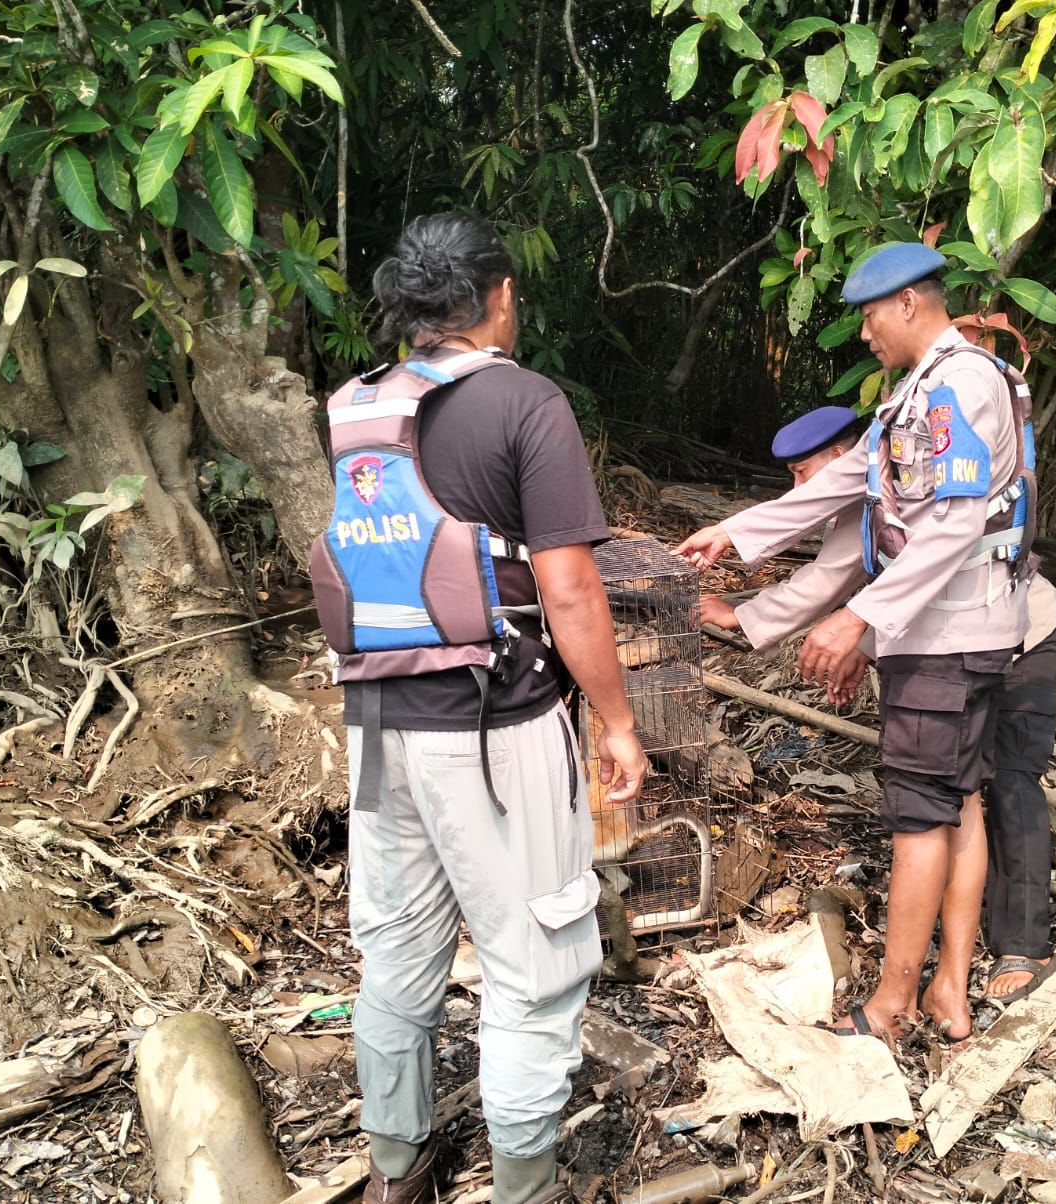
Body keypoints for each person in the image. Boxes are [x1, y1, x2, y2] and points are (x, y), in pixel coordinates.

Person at [341, 213, 648, 1204]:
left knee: (394, 949)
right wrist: (616, 721)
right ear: (498, 296)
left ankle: (401, 1166)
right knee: (533, 964)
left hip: (378, 726)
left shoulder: (352, 408)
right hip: (495, 725)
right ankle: (524, 1184)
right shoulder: (526, 402)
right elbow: (568, 593)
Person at [676, 243, 1031, 1042]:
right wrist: (732, 535)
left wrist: (861, 619)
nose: (865, 332)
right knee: (957, 805)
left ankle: (892, 1007)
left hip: (946, 638)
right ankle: (947, 989)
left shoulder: (959, 384)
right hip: (961, 634)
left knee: (916, 816)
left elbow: (950, 526)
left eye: (871, 314)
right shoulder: (919, 392)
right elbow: (850, 482)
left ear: (909, 302)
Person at [698, 405, 868, 650]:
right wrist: (723, 534)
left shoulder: (868, 503)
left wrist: (739, 616)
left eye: (802, 471)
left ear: (838, 456)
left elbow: (825, 579)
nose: (797, 486)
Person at [982, 577, 1056, 1002]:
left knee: (1012, 777)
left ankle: (1025, 944)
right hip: (960, 638)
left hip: (1027, 633)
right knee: (956, 777)